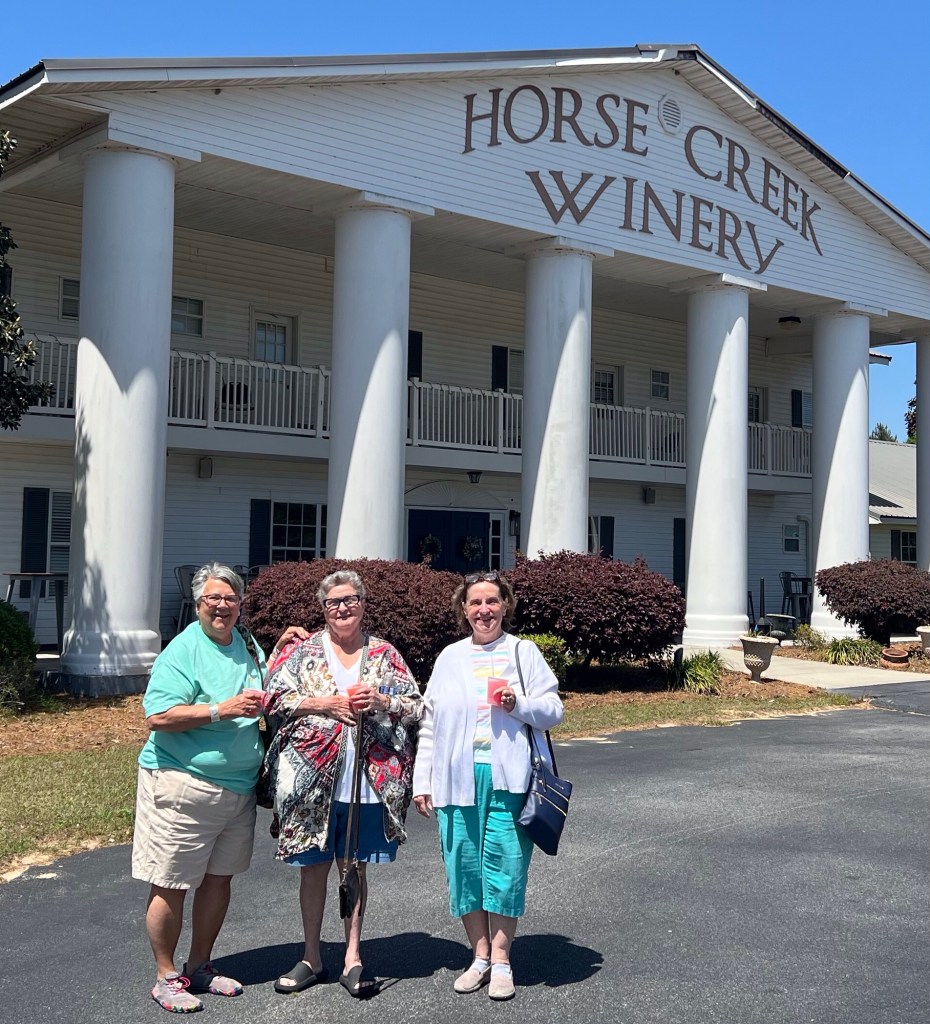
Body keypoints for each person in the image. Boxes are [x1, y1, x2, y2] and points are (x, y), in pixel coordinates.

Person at [133, 562, 308, 1014]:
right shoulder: (183, 650)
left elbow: (260, 687)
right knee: (171, 882)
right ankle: (166, 977)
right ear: (198, 604)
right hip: (181, 783)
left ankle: (200, 966)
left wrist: (279, 650)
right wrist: (220, 710)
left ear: (240, 604)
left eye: (230, 598)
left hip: (238, 789)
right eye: (213, 598)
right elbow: (158, 716)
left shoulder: (245, 642)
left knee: (218, 879)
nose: (222, 606)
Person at [260, 569, 422, 999]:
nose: (342, 608)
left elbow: (416, 705)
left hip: (366, 781)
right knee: (313, 869)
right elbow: (271, 698)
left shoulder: (384, 654)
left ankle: (353, 957)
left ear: (363, 604)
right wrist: (322, 703)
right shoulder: (303, 651)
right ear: (323, 608)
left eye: (350, 600)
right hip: (309, 781)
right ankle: (312, 956)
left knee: (354, 867)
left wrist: (383, 700)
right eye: (333, 602)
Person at [412, 570, 563, 1002]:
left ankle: (501, 960)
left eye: (492, 601)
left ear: (505, 605)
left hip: (509, 778)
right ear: (464, 609)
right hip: (456, 779)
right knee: (463, 868)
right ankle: (478, 956)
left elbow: (553, 711)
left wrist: (519, 704)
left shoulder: (523, 652)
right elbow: (430, 723)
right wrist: (423, 780)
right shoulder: (450, 658)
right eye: (475, 602)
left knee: (505, 867)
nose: (484, 610)